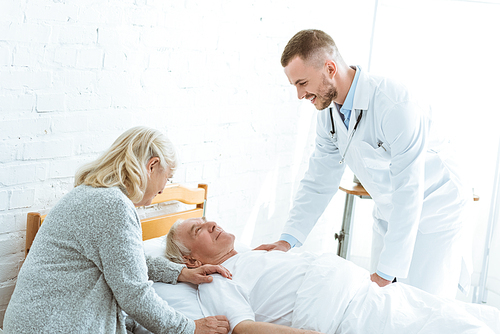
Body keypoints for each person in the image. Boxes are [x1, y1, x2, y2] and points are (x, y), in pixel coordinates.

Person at [255, 29, 469, 298]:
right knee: (385, 304)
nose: (299, 95)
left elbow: (408, 189)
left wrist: (387, 272)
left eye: (302, 83)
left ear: (330, 68)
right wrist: (288, 240)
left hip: (434, 212)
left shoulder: (394, 104)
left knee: (425, 308)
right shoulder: (328, 114)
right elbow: (318, 181)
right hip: (390, 212)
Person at [4, 126, 231, 334]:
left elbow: (124, 261)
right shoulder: (113, 206)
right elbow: (135, 295)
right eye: (167, 178)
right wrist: (190, 328)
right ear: (152, 166)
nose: (163, 189)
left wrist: (179, 273)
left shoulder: (92, 193)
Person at [165, 217, 500, 334]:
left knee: (458, 315)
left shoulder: (256, 253)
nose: (212, 224)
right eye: (199, 229)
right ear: (191, 260)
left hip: (368, 293)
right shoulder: (215, 280)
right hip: (346, 316)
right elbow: (243, 328)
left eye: (209, 219)